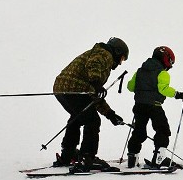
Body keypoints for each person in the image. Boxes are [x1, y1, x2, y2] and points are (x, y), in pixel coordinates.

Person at [53, 37, 129, 171]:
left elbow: (93, 96)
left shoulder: (97, 52)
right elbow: (94, 64)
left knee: (77, 118)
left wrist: (110, 114)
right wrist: (96, 83)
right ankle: (87, 158)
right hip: (75, 90)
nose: (120, 63)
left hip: (62, 88)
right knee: (92, 121)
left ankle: (68, 154)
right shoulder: (104, 54)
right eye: (122, 58)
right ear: (117, 52)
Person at [126, 46, 183, 169]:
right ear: (166, 60)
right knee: (162, 130)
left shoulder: (140, 71)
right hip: (155, 106)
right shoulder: (162, 73)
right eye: (171, 62)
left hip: (139, 106)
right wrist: (180, 95)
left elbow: (130, 87)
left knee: (139, 131)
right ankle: (159, 159)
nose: (170, 66)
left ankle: (132, 158)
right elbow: (163, 89)